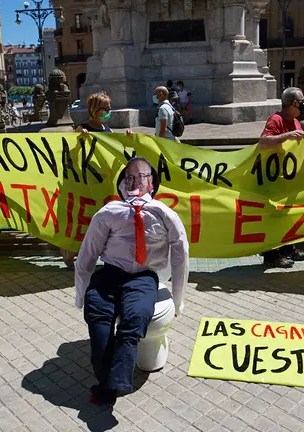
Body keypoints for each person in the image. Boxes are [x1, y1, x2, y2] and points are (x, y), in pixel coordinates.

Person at [75, 157, 189, 405]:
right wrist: (80, 294)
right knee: (97, 315)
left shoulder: (165, 215)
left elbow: (181, 257)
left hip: (143, 278)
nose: (135, 181)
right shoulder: (108, 213)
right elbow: (88, 253)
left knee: (135, 317)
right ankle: (109, 379)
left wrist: (178, 302)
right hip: (110, 273)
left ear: (152, 184)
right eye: (130, 177)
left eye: (142, 176)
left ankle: (113, 385)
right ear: (123, 184)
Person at [66, 92, 135, 268]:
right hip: (85, 183)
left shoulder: (107, 130)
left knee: (101, 220)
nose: (109, 112)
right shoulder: (82, 128)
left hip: (103, 184)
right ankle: (69, 252)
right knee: (84, 218)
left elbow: (115, 150)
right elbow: (72, 151)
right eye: (106, 109)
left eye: (109, 109)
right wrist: (81, 135)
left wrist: (127, 138)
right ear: (95, 110)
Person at [257, 87, 304, 268]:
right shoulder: (276, 120)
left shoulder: (295, 121)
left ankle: (289, 248)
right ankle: (272, 254)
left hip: (289, 178)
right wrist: (287, 135)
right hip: (274, 178)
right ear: (294, 103)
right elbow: (264, 142)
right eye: (301, 100)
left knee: (289, 216)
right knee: (275, 218)